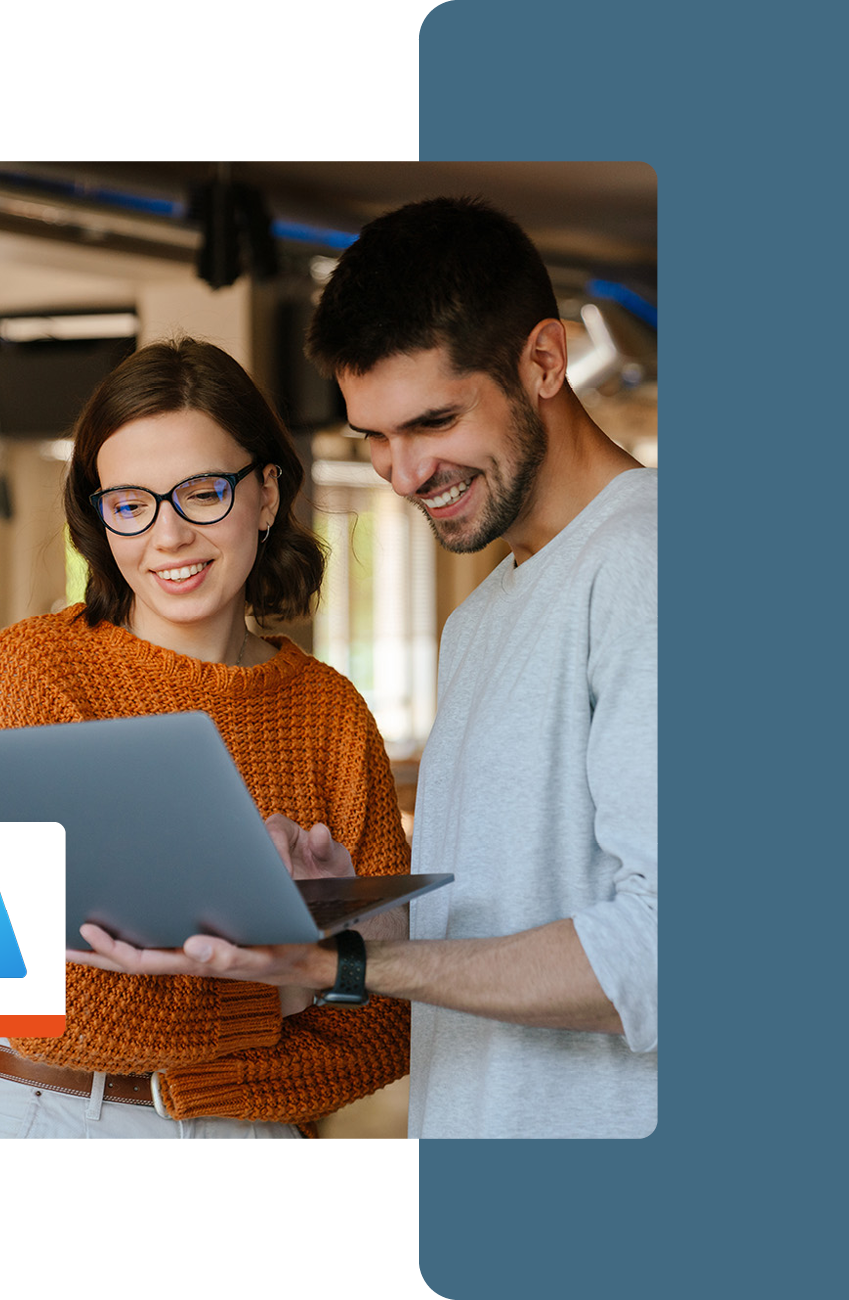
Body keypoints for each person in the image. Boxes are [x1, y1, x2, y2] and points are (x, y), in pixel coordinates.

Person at [74, 197, 657, 1140]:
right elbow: (487, 940)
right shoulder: (481, 621)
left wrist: (343, 971)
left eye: (432, 421)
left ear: (544, 361)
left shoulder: (649, 565)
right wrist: (340, 922)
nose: (403, 471)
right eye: (373, 437)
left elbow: (671, 952)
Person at [0, 337, 411, 1139]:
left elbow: (388, 1027)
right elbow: (12, 990)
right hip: (46, 1119)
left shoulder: (330, 714)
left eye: (202, 492)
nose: (166, 537)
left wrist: (310, 984)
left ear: (267, 494)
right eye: (130, 503)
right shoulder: (35, 673)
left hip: (253, 1140)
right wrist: (298, 982)